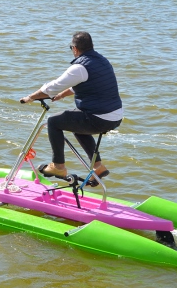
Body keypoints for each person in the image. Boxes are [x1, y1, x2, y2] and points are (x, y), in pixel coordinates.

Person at [20, 32, 123, 186]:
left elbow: (52, 87)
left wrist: (30, 97)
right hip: (115, 116)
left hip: (98, 117)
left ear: (74, 48)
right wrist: (61, 95)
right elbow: (87, 84)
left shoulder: (79, 67)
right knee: (77, 125)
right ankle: (98, 168)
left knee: (53, 121)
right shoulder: (102, 61)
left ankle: (58, 166)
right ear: (91, 46)